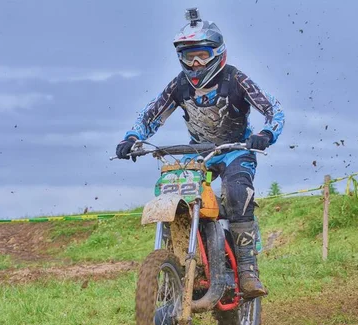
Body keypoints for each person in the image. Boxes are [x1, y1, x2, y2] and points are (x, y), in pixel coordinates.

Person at [115, 8, 284, 298]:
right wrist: (132, 137)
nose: (195, 63)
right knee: (171, 192)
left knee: (235, 192)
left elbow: (273, 109)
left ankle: (247, 269)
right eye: (188, 56)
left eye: (202, 55)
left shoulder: (236, 79)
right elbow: (151, 114)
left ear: (217, 53)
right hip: (198, 153)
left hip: (235, 150)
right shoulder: (179, 86)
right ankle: (175, 261)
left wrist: (265, 134)